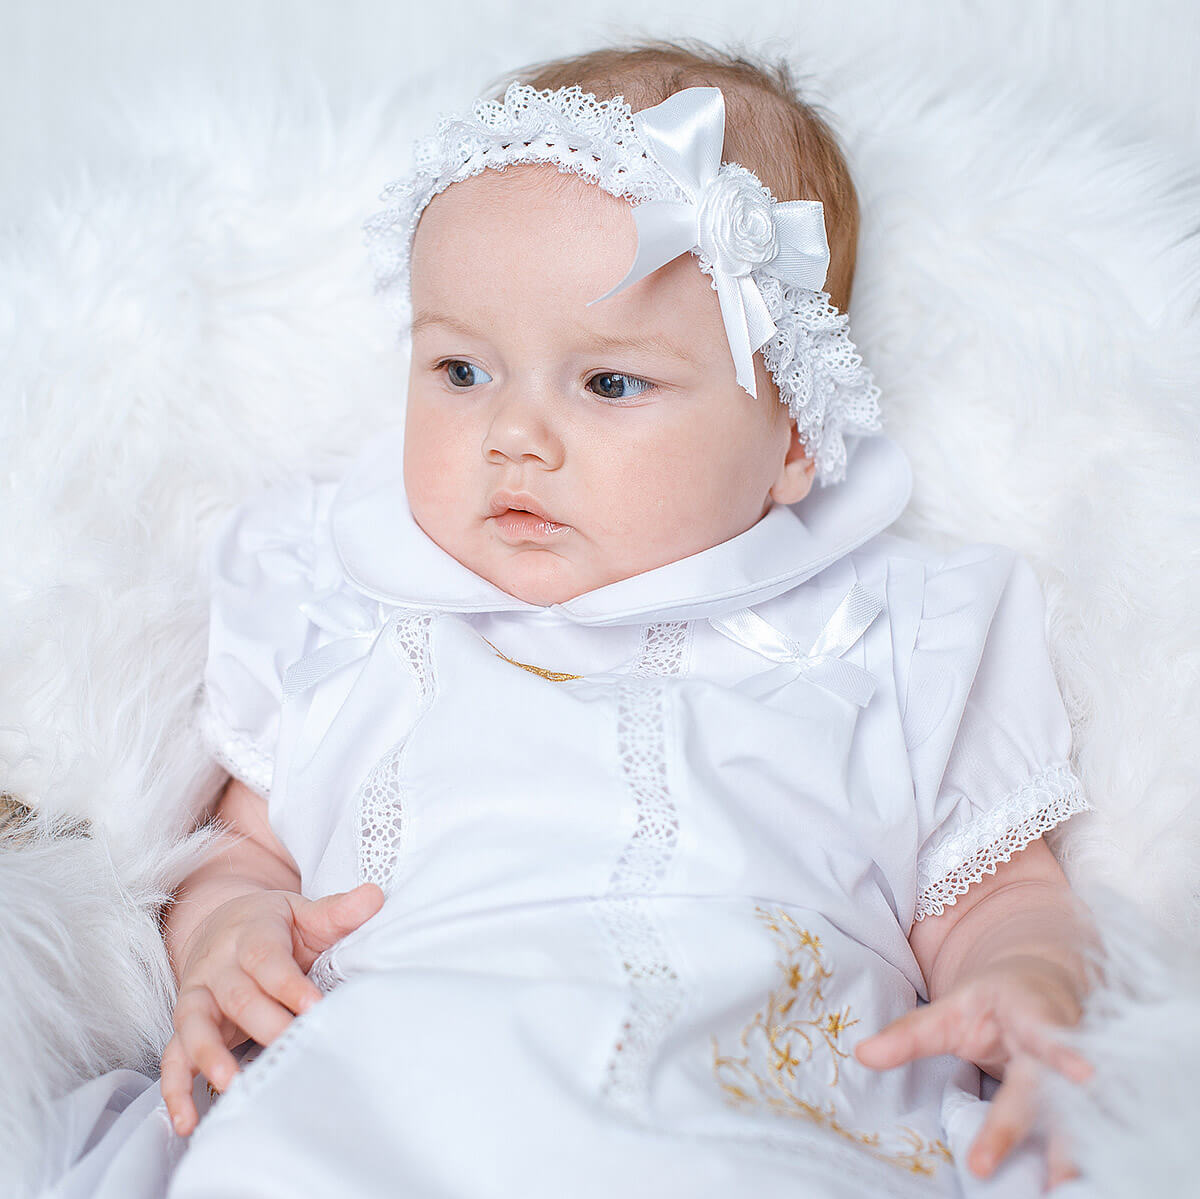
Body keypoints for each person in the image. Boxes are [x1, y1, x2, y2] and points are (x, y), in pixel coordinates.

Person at [44, 42, 1096, 1199]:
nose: (515, 436)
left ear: (793, 434)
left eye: (608, 384)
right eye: (461, 370)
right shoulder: (343, 603)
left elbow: (1002, 897)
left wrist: (1026, 984)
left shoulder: (893, 630)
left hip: (762, 1101)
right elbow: (246, 847)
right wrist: (224, 935)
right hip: (390, 1089)